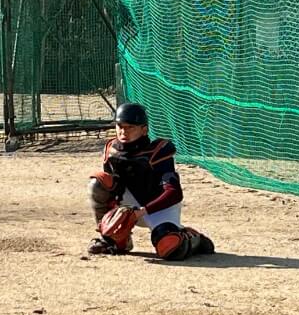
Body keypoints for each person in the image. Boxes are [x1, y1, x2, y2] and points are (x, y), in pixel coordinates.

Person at [86, 103, 214, 260]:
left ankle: (193, 238)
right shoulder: (112, 150)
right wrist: (117, 212)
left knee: (170, 247)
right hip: (129, 208)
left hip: (159, 208)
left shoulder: (158, 151)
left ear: (144, 130)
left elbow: (174, 193)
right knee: (98, 183)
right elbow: (111, 187)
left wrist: (142, 211)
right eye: (120, 126)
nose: (123, 131)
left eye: (130, 127)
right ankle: (114, 240)